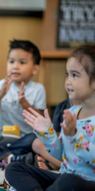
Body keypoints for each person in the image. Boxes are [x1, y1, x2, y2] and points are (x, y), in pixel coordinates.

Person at [6, 45, 95, 191]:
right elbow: (61, 155)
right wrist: (47, 133)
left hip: (86, 184)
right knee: (14, 169)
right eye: (67, 74)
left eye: (75, 75)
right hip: (64, 177)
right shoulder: (72, 112)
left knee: (67, 182)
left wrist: (75, 137)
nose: (68, 81)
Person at [0, 40, 46, 165]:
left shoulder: (38, 89)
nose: (15, 66)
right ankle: (10, 158)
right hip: (0, 138)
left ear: (35, 69)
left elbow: (42, 119)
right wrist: (1, 94)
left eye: (22, 62)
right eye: (11, 61)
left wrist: (24, 103)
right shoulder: (2, 85)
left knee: (36, 138)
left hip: (23, 139)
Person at [33, 95, 81, 170]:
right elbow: (60, 149)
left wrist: (73, 135)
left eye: (75, 81)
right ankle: (58, 164)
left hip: (79, 169)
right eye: (67, 81)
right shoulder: (71, 110)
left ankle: (57, 164)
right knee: (36, 143)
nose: (69, 83)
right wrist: (49, 132)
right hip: (65, 156)